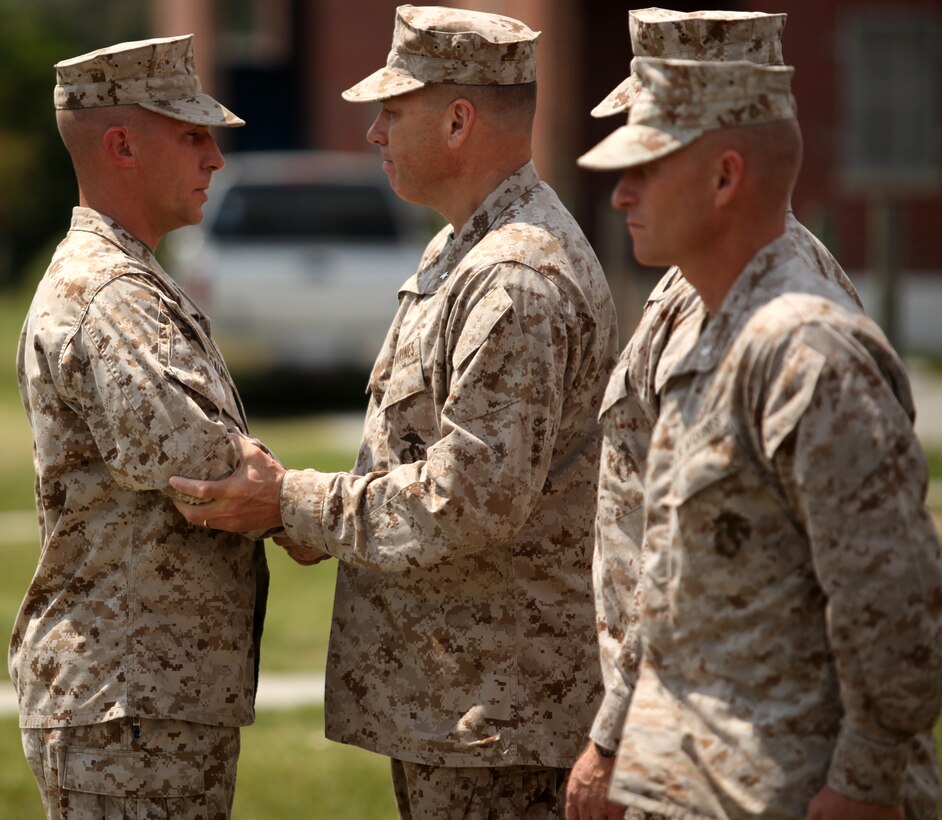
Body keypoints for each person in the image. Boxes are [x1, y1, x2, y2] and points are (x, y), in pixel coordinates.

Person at [170, 5, 618, 818]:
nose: (374, 133)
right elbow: (416, 453)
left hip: (503, 722)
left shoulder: (515, 280)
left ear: (458, 120)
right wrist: (315, 519)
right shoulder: (462, 250)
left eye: (392, 110)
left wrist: (295, 503)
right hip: (460, 707)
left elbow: (469, 498)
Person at [574, 54, 942, 819]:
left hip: (797, 794)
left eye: (645, 168)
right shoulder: (713, 339)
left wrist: (865, 784)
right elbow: (671, 581)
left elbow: (898, 605)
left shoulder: (808, 356)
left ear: (724, 178)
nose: (620, 192)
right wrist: (617, 740)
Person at [13, 35, 269, 819]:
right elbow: (202, 468)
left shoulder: (133, 276)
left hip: (146, 698)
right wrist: (284, 491)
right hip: (125, 705)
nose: (215, 158)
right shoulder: (109, 292)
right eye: (193, 135)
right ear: (121, 145)